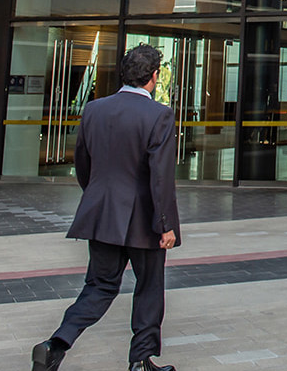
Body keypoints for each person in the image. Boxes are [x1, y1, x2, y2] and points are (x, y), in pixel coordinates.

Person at [32, 44, 182, 371]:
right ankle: (141, 361)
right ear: (154, 76)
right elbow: (161, 176)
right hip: (145, 219)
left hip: (101, 214)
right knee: (149, 287)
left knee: (99, 286)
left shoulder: (94, 109)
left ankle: (55, 344)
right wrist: (166, 224)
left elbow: (83, 163)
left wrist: (97, 198)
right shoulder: (159, 114)